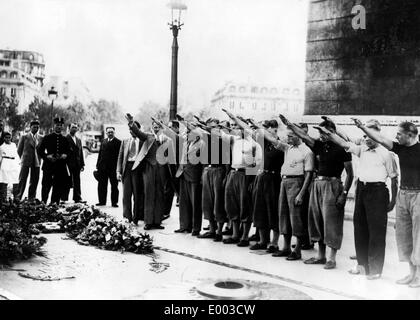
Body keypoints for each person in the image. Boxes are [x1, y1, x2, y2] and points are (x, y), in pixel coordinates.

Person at [317, 121, 398, 279]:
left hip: (378, 192)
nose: (366, 139)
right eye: (364, 136)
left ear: (377, 136)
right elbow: (342, 142)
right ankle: (362, 266)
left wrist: (393, 201)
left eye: (369, 136)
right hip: (362, 189)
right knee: (360, 229)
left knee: (376, 233)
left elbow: (395, 179)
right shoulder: (362, 150)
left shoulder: (387, 154)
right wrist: (327, 132)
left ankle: (375, 269)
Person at [352, 119, 420, 287]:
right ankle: (411, 274)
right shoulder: (400, 148)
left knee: (418, 237)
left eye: (399, 134)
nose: (396, 136)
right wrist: (362, 127)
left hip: (418, 195)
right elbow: (381, 139)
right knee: (405, 237)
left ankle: (418, 276)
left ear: (410, 135)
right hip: (404, 194)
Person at [280, 114, 353, 270]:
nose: (321, 136)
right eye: (320, 133)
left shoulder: (343, 147)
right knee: (317, 221)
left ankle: (332, 259)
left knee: (331, 223)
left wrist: (344, 194)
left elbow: (350, 174)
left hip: (332, 185)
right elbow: (305, 137)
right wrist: (290, 124)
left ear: (332, 131)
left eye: (324, 132)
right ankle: (321, 256)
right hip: (317, 184)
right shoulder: (319, 145)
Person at [270, 127, 314, 260]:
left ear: (298, 136)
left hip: (297, 182)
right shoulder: (288, 148)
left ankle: (298, 250)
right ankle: (286, 247)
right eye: (287, 136)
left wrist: (301, 193)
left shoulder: (307, 151)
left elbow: (309, 174)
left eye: (290, 136)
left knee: (296, 218)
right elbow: (270, 138)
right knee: (283, 216)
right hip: (284, 181)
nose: (288, 139)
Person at [221, 109, 263, 247]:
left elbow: (257, 164)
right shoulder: (235, 140)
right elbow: (220, 134)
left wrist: (250, 181)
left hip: (245, 175)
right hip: (234, 173)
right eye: (236, 128)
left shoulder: (255, 144)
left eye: (239, 127)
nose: (237, 130)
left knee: (244, 205)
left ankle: (244, 236)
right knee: (231, 204)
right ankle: (235, 234)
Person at [246, 119, 285, 253]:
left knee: (273, 211)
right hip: (263, 177)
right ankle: (263, 240)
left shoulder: (281, 144)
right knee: (260, 209)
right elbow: (249, 131)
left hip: (275, 179)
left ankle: (274, 242)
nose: (271, 132)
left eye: (273, 130)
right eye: (269, 129)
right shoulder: (264, 143)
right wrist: (236, 119)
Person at [125, 114, 167, 230]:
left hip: (161, 169)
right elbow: (138, 133)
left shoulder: (166, 138)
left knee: (159, 195)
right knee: (149, 194)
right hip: (149, 168)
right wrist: (131, 123)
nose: (156, 128)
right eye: (154, 126)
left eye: (158, 126)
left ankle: (157, 222)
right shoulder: (148, 137)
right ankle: (148, 222)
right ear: (152, 127)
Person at [175, 124, 205, 236]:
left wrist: (202, 176)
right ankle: (184, 226)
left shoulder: (202, 144)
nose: (187, 134)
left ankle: (195, 228)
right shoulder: (186, 143)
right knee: (184, 202)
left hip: (195, 176)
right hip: (183, 174)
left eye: (190, 132)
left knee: (195, 202)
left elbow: (204, 162)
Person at [37, 117, 71, 204]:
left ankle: (54, 203)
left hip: (60, 166)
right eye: (57, 125)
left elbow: (69, 151)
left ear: (62, 126)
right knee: (46, 185)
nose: (59, 127)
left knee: (58, 185)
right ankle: (44, 202)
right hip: (48, 165)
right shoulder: (47, 137)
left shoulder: (65, 139)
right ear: (54, 125)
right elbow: (40, 150)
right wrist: (46, 156)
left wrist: (65, 155)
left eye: (60, 125)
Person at [116, 121, 144, 225]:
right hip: (126, 168)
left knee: (137, 194)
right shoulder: (125, 141)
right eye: (130, 129)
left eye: (134, 129)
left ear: (138, 129)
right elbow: (120, 157)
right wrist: (118, 171)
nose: (131, 131)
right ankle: (127, 217)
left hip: (137, 169)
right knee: (126, 195)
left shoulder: (142, 142)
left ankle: (136, 217)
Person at [17, 119, 43, 200]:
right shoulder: (24, 137)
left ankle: (31, 198)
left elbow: (42, 150)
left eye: (37, 127)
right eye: (34, 127)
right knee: (22, 179)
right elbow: (19, 150)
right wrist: (24, 158)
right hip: (26, 161)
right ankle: (18, 196)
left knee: (34, 180)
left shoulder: (41, 137)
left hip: (37, 161)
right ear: (30, 127)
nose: (36, 129)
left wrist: (39, 158)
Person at [96, 127, 121, 207]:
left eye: (112, 132)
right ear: (106, 133)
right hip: (103, 167)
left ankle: (114, 202)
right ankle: (102, 201)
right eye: (108, 132)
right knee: (102, 185)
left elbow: (120, 156)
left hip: (113, 168)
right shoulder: (103, 141)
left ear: (114, 133)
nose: (110, 133)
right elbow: (100, 154)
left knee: (114, 185)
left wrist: (119, 169)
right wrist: (98, 165)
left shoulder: (118, 142)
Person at [63, 123, 85, 203]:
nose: (74, 129)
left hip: (77, 164)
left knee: (77, 181)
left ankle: (77, 197)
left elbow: (81, 152)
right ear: (69, 128)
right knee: (66, 180)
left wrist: (82, 164)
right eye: (72, 127)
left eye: (76, 127)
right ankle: (64, 198)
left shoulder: (78, 139)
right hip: (68, 163)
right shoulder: (65, 138)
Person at [0, 132, 20, 201]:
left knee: (15, 179)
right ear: (4, 138)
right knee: (4, 180)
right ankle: (4, 197)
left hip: (13, 163)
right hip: (5, 162)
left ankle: (16, 196)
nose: (8, 139)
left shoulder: (14, 145)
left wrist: (18, 163)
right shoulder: (1, 147)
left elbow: (16, 154)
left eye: (9, 137)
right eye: (6, 137)